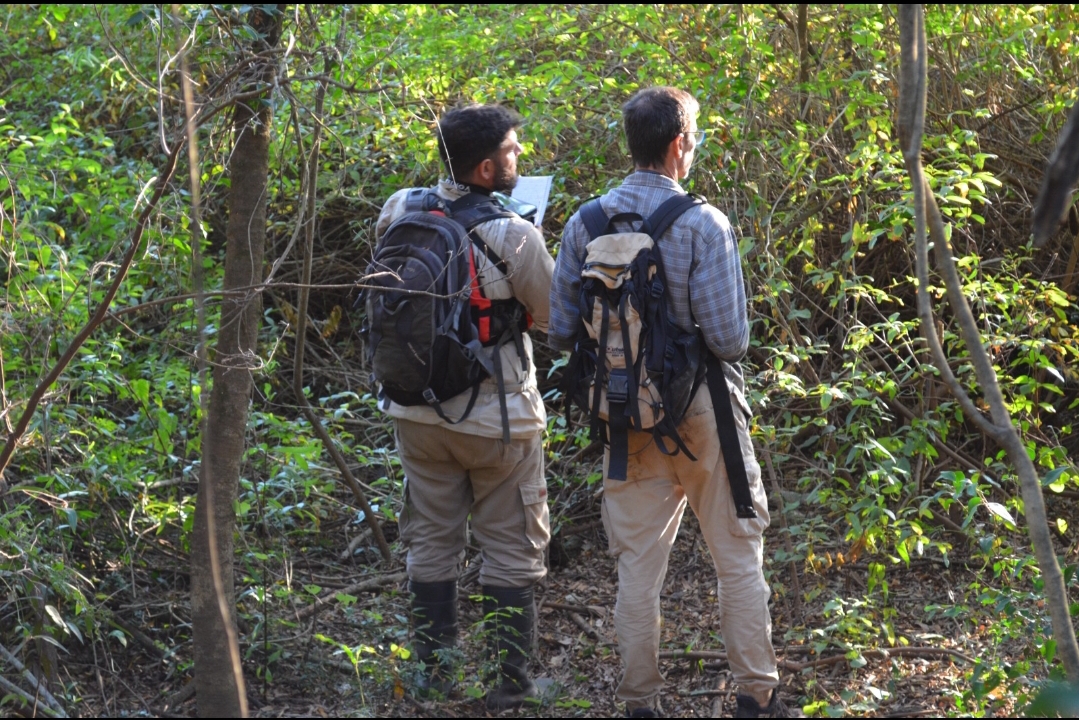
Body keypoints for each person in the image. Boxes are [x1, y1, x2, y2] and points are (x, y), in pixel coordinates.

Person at [549, 87, 790, 718]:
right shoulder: (704, 223)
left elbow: (559, 329)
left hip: (624, 415)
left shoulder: (585, 222)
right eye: (697, 133)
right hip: (705, 412)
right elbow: (731, 340)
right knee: (737, 555)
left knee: (637, 566)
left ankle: (639, 702)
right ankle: (757, 697)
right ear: (679, 142)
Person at [371, 104, 555, 710]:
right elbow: (556, 318)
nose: (519, 156)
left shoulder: (401, 209)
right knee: (510, 546)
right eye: (510, 150)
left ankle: (434, 677)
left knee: (431, 541)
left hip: (414, 413)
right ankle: (510, 687)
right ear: (484, 167)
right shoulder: (514, 233)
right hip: (497, 420)